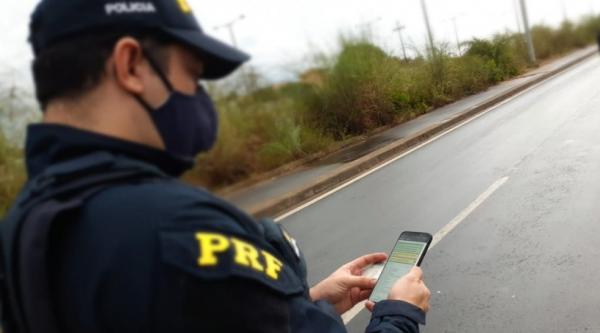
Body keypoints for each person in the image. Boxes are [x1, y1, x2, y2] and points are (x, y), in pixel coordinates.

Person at [0, 0, 431, 332]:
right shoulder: (180, 231)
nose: (198, 97)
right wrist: (398, 314)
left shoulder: (27, 225)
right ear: (131, 65)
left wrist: (305, 305)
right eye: (191, 74)